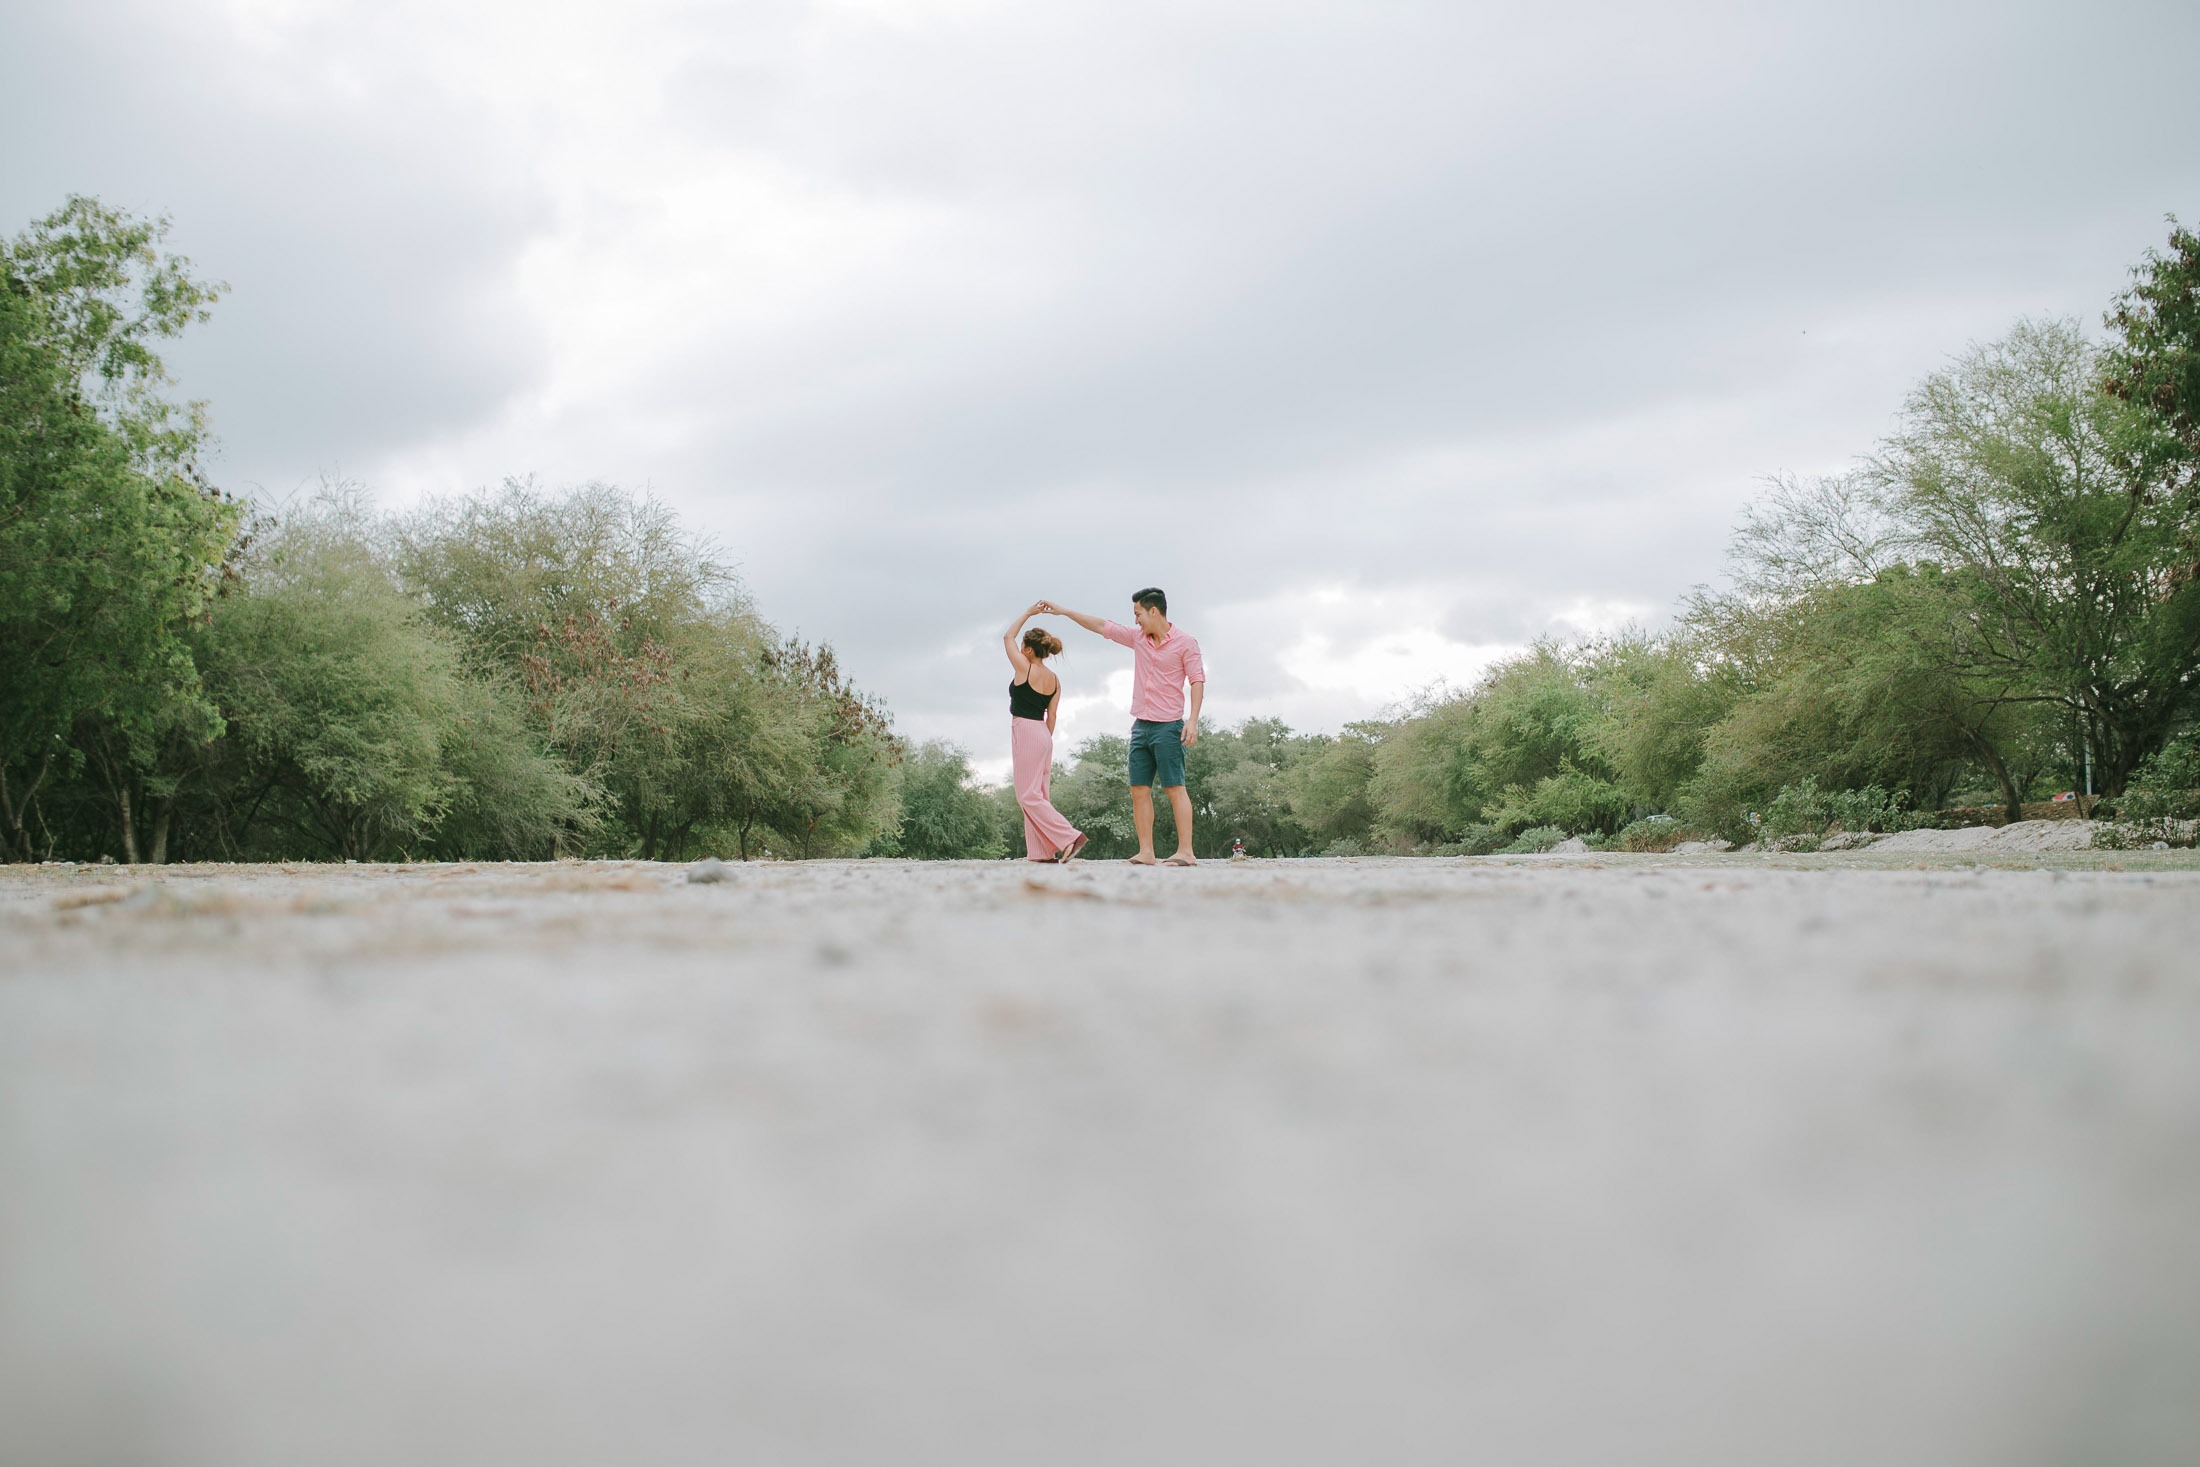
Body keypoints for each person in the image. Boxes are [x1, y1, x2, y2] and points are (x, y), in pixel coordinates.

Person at [1038, 588, 1204, 866]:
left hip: (1168, 726)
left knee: (1174, 787)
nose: (1136, 620)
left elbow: (1197, 680)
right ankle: (1146, 852)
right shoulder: (1137, 638)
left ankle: (1186, 851)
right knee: (1138, 788)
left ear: (1154, 611)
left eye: (1138, 613)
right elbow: (1101, 625)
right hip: (1141, 725)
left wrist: (1193, 720)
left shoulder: (1186, 643)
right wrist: (1065, 611)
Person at [1004, 602, 1086, 863]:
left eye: (1022, 648)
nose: (1019, 650)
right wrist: (1046, 741)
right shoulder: (1055, 679)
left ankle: (1069, 837)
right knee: (1038, 795)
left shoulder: (1024, 668)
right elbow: (1053, 716)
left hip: (1026, 731)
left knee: (1026, 796)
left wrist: (1027, 612)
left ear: (1028, 649)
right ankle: (1040, 852)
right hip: (1043, 734)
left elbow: (1007, 637)